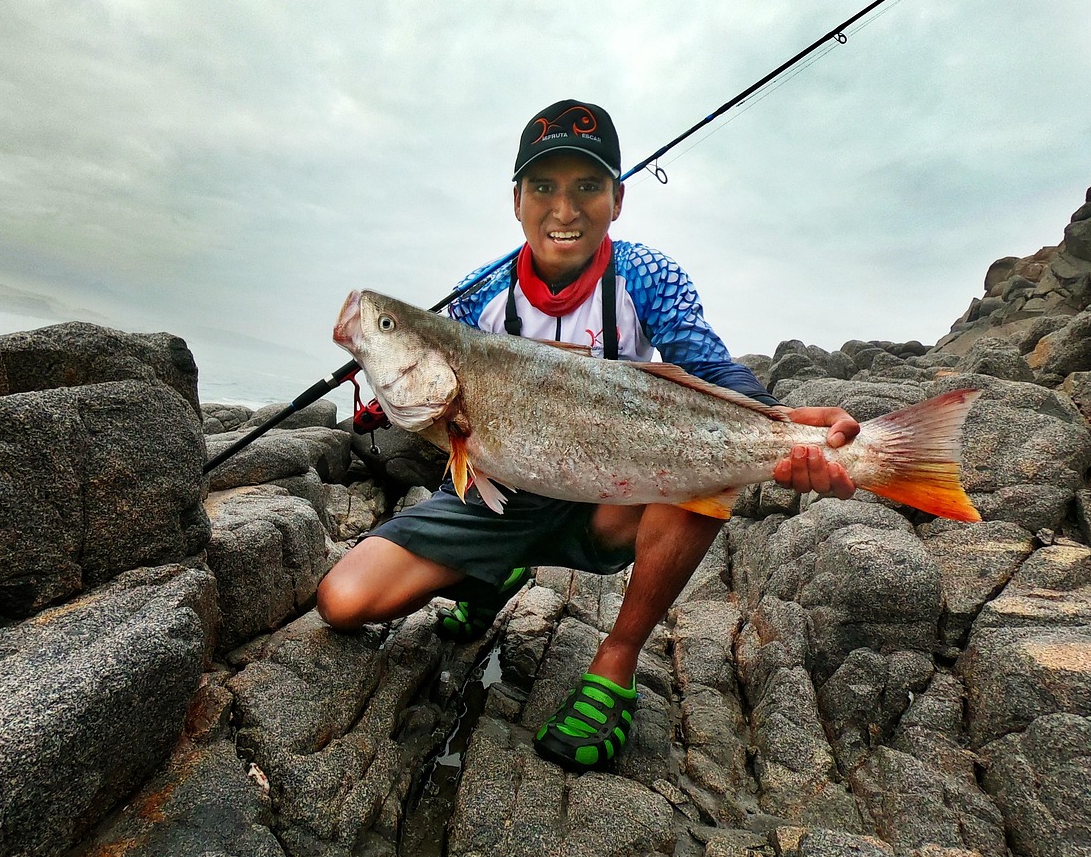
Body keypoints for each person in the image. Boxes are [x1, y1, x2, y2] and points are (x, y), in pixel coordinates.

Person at [316, 99, 859, 772]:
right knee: (343, 601)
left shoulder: (645, 275)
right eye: (543, 186)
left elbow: (708, 365)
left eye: (588, 187)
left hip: (607, 497)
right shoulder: (476, 297)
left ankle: (617, 659)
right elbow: (431, 391)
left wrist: (783, 426)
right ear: (516, 200)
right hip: (497, 495)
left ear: (617, 199)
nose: (564, 209)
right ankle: (495, 573)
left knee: (699, 468)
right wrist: (377, 375)